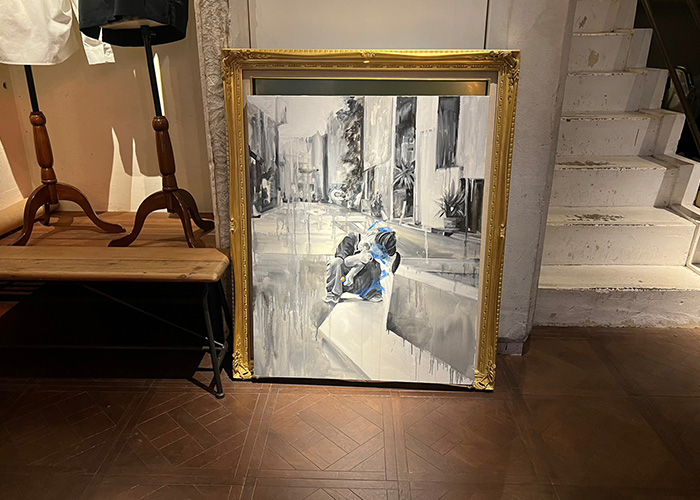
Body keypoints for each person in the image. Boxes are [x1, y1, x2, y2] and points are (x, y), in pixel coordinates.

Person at [324, 225, 399, 304]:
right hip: (341, 280)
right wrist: (359, 257)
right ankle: (333, 294)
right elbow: (345, 261)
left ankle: (371, 293)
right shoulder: (352, 239)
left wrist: (351, 274)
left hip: (359, 282)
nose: (370, 249)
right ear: (371, 235)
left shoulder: (371, 252)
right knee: (336, 262)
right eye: (372, 245)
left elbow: (363, 262)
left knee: (374, 265)